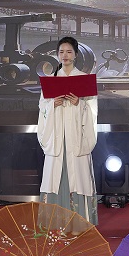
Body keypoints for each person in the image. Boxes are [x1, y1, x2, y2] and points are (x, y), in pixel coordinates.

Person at [37, 36, 99, 228]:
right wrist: (52, 105)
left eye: (69, 52)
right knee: (55, 177)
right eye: (61, 52)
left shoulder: (84, 79)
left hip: (76, 137)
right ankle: (55, 224)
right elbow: (42, 108)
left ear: (76, 54)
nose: (65, 55)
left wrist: (79, 104)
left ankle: (79, 224)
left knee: (78, 177)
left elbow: (92, 110)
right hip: (57, 137)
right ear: (57, 54)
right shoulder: (50, 80)